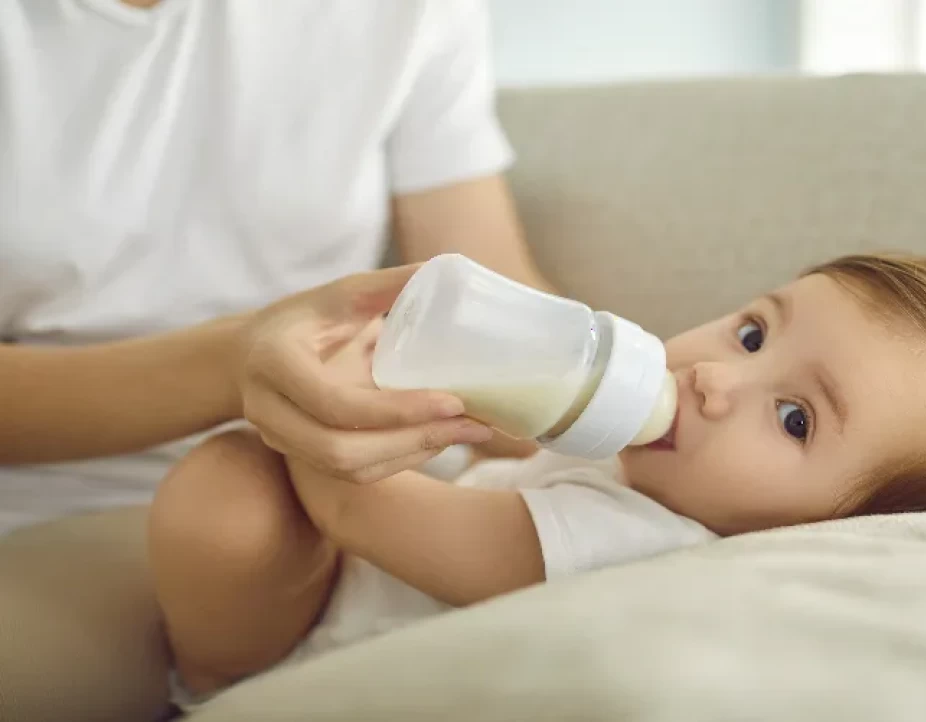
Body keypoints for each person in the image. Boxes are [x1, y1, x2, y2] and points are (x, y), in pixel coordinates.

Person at [149, 253, 926, 708]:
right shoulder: (652, 465)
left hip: (316, 645)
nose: (717, 380)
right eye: (754, 332)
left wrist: (355, 397)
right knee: (242, 477)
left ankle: (219, 682)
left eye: (797, 418)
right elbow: (502, 460)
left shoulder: (643, 546)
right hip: (339, 564)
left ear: (844, 527)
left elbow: (363, 504)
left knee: (227, 490)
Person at [0, 0, 544, 535]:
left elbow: (492, 303)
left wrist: (601, 418)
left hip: (376, 475)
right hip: (64, 502)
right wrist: (235, 366)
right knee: (234, 520)